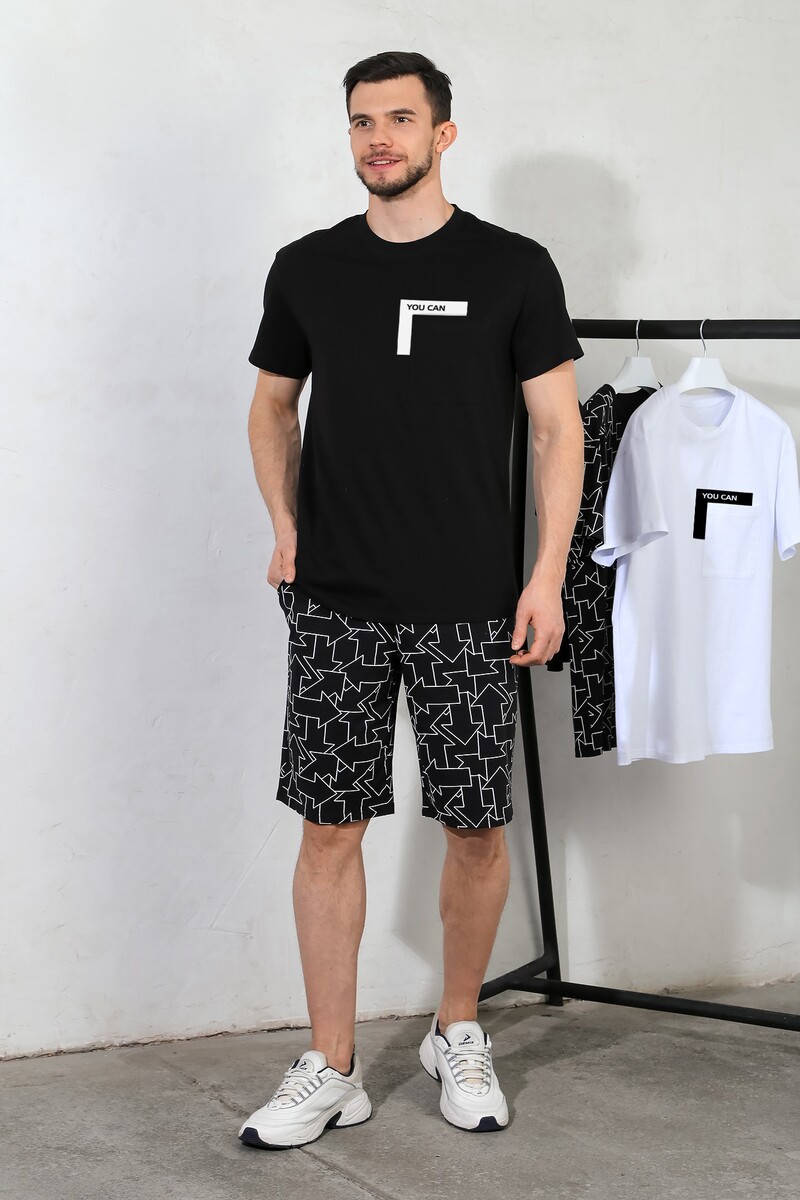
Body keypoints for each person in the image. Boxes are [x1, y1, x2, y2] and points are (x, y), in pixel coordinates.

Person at [238, 50, 584, 1150]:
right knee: (326, 827)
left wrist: (544, 575)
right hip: (336, 602)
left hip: (471, 604)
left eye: (397, 118)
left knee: (475, 827)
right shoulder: (306, 267)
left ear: (443, 133)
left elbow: (557, 431)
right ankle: (332, 1064)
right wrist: (285, 525)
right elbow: (271, 408)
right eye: (360, 121)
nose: (376, 137)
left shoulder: (514, 267)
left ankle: (456, 1028)